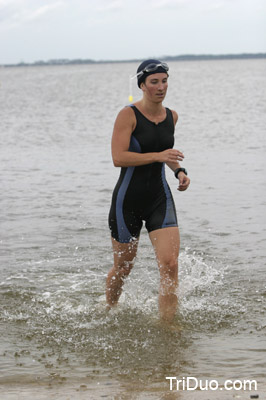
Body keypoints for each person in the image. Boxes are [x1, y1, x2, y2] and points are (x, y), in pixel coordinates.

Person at [106, 59, 190, 323]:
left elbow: (165, 153)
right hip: (127, 201)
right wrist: (159, 156)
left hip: (158, 198)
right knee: (124, 267)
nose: (161, 87)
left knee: (170, 265)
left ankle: (168, 327)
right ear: (142, 85)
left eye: (164, 81)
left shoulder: (171, 116)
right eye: (154, 82)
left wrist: (178, 170)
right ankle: (109, 309)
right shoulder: (128, 115)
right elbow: (119, 157)